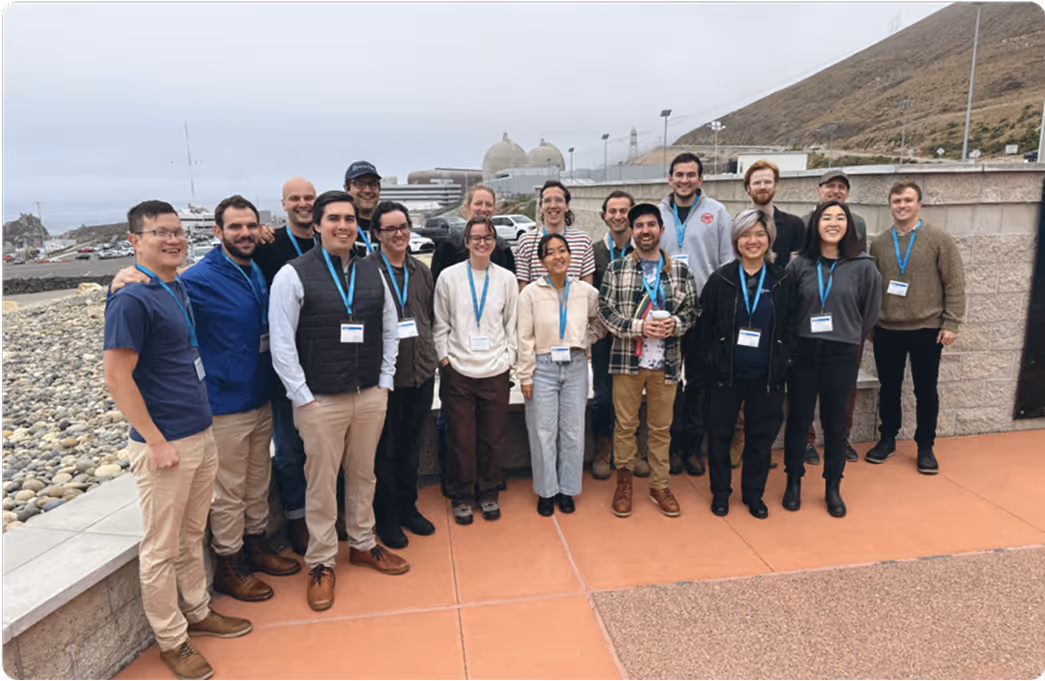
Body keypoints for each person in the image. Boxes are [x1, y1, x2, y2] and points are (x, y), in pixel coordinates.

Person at [104, 200, 252, 681]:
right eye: (159, 233)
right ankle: (172, 640)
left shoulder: (173, 285)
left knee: (193, 535)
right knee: (161, 547)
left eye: (176, 232)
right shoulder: (131, 299)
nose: (172, 239)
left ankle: (198, 610)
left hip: (201, 432)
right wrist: (154, 440)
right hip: (165, 444)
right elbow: (117, 378)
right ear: (135, 241)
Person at [269, 190, 408, 612]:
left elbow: (389, 328)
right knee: (322, 482)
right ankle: (321, 562)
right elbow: (281, 343)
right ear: (317, 225)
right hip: (320, 401)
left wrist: (384, 381)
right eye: (334, 219)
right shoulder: (293, 275)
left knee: (364, 475)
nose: (343, 226)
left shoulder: (372, 272)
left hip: (368, 394)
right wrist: (304, 398)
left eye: (349, 219)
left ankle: (364, 544)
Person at [599, 203, 699, 518]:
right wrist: (639, 327)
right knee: (625, 426)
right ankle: (624, 483)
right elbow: (604, 312)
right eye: (639, 225)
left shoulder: (680, 270)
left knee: (660, 428)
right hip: (627, 360)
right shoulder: (617, 269)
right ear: (631, 231)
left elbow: (693, 310)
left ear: (661, 229)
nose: (645, 230)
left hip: (667, 361)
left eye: (651, 225)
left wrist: (676, 325)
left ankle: (660, 485)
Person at [783, 201, 881, 518]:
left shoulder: (864, 266)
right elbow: (789, 309)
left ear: (849, 226)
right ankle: (793, 482)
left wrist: (847, 334)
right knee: (798, 420)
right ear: (816, 225)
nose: (833, 222)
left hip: (841, 352)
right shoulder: (799, 265)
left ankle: (832, 487)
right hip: (805, 351)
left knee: (835, 424)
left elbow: (869, 314)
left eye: (840, 218)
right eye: (826, 217)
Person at [700, 209, 798, 519]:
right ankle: (720, 493)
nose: (752, 240)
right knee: (719, 437)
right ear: (735, 240)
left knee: (760, 438)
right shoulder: (721, 280)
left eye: (759, 234)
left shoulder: (783, 279)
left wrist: (785, 360)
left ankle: (754, 494)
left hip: (766, 375)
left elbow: (792, 326)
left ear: (770, 239)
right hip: (725, 375)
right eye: (745, 234)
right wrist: (710, 362)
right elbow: (705, 329)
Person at [866, 180, 965, 473]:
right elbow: (872, 287)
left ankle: (925, 446)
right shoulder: (880, 242)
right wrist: (872, 321)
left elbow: (955, 282)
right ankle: (887, 439)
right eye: (896, 201)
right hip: (888, 329)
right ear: (890, 205)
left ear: (919, 204)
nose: (902, 206)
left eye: (908, 200)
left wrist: (952, 322)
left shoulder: (938, 239)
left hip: (927, 328)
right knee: (889, 388)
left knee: (925, 389)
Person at [429, 185, 516, 498]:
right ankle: (461, 493)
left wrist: (509, 358)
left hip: (495, 369)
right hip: (459, 371)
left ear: (495, 241)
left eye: (488, 237)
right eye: (476, 237)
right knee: (460, 440)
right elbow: (440, 323)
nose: (482, 242)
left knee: (492, 439)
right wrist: (445, 360)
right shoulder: (449, 276)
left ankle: (489, 491)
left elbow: (512, 325)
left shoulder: (505, 278)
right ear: (466, 242)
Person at [365, 201, 438, 548]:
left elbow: (428, 319)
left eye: (403, 226)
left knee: (411, 447)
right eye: (390, 229)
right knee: (385, 452)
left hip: (421, 375)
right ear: (377, 234)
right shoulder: (366, 272)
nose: (399, 234)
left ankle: (409, 508)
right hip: (386, 380)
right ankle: (387, 516)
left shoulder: (420, 270)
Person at [254, 177, 319, 555]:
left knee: (327, 448)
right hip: (284, 368)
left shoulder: (331, 241)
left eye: (308, 197)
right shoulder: (269, 245)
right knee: (291, 449)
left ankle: (329, 512)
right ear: (283, 204)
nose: (302, 203)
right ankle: (297, 518)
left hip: (326, 365)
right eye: (295, 198)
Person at [657, 153, 733, 478]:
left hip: (704, 313)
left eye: (691, 175)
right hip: (666, 313)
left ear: (700, 179)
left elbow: (727, 262)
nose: (685, 180)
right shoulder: (657, 213)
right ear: (670, 178)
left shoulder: (717, 213)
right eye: (679, 175)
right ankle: (671, 449)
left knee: (700, 383)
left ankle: (692, 449)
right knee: (668, 382)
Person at [518, 233, 605, 516]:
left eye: (563, 250)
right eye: (551, 252)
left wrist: (585, 340)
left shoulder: (586, 292)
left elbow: (600, 322)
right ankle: (547, 491)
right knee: (542, 431)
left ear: (571, 255)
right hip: (542, 367)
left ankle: (568, 489)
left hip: (576, 366)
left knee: (572, 431)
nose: (558, 256)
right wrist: (526, 375)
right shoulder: (530, 293)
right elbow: (524, 337)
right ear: (542, 261)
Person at [799, 169, 870, 465]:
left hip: (845, 322)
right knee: (805, 388)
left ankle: (841, 437)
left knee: (845, 387)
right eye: (830, 186)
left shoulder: (859, 224)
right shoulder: (802, 223)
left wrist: (856, 327)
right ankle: (806, 440)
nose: (835, 191)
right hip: (810, 321)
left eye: (841, 187)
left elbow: (860, 276)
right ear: (819, 190)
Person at [590, 191, 650, 480]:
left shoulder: (644, 251)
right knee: (602, 395)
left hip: (636, 337)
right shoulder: (594, 251)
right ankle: (603, 447)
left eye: (623, 211)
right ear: (604, 216)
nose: (617, 216)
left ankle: (631, 450)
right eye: (611, 211)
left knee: (632, 397)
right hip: (604, 337)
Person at [514, 179, 595, 289]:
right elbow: (523, 288)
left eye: (558, 200)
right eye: (547, 201)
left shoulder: (583, 241)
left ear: (567, 206)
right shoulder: (526, 241)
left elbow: (587, 288)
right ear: (541, 207)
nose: (553, 205)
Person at [430, 185, 516, 282]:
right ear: (467, 207)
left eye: (488, 204)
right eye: (478, 203)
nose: (483, 209)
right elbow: (436, 284)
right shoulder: (450, 246)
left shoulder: (503, 249)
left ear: (495, 209)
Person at [344, 160, 381, 255]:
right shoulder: (341, 229)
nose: (367, 190)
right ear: (347, 188)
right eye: (360, 184)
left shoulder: (387, 228)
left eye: (373, 184)